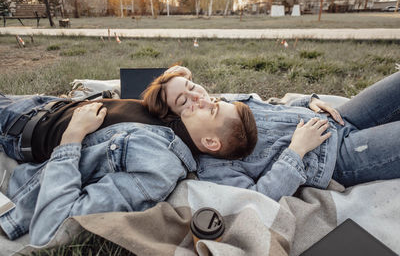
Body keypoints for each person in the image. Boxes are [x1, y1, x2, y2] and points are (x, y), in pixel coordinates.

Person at [142, 68, 400, 202]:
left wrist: (307, 102)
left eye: (191, 86)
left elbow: (271, 105)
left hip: (338, 118)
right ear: (178, 119)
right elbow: (258, 197)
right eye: (183, 100)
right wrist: (296, 151)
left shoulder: (223, 101)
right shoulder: (212, 162)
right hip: (339, 157)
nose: (198, 97)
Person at [0, 99, 197, 246]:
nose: (203, 99)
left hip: (19, 126)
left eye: (213, 108)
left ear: (212, 143)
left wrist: (73, 135)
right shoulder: (179, 121)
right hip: (46, 105)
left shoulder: (159, 165)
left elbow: (51, 230)